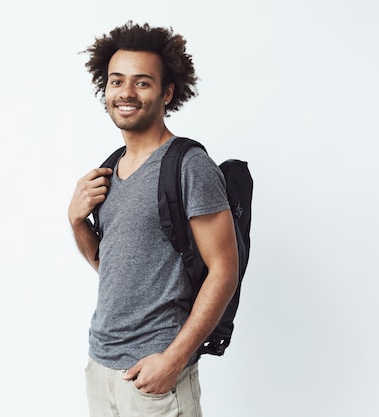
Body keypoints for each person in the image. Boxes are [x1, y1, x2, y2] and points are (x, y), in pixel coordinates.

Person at [68, 21, 239, 417]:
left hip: (155, 373)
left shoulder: (189, 166)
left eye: (142, 83)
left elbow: (224, 269)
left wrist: (174, 359)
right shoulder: (109, 171)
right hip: (101, 366)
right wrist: (78, 222)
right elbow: (114, 266)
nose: (126, 93)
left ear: (167, 92)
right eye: (116, 81)